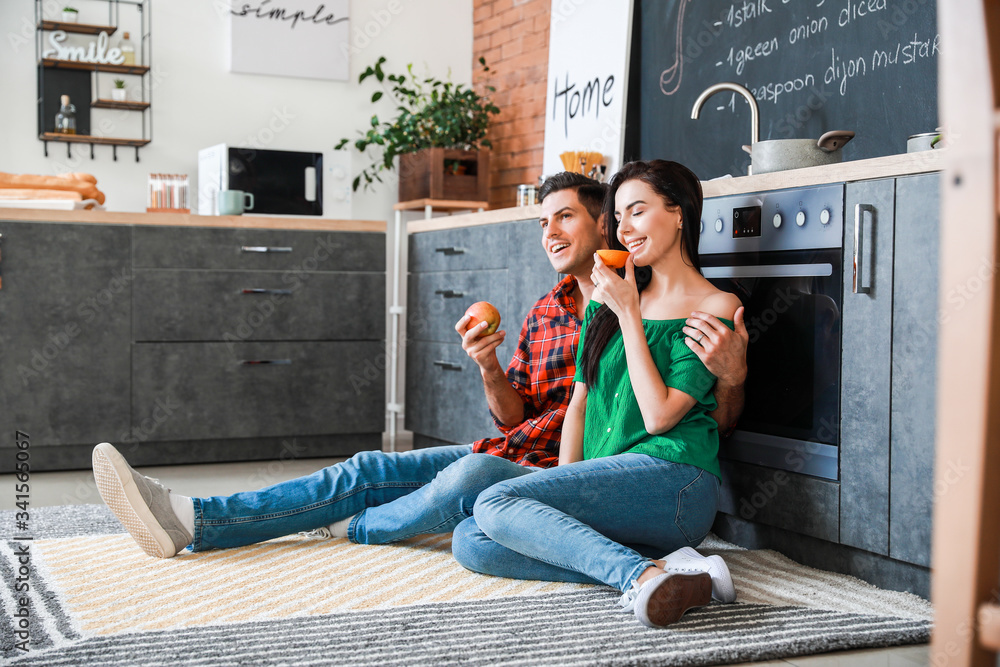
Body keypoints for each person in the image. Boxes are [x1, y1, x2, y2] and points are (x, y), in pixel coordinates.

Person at [91, 171, 748, 562]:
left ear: (607, 227)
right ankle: (196, 518)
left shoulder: (648, 303)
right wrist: (489, 366)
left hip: (561, 477)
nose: (550, 232)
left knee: (402, 494)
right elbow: (517, 412)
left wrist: (734, 373)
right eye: (543, 222)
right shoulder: (552, 309)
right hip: (515, 451)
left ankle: (293, 520)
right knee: (367, 469)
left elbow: (692, 422)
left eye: (566, 218)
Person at [451, 160, 741, 629]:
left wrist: (629, 313)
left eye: (638, 211)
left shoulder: (714, 306)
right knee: (471, 540)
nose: (624, 229)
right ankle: (677, 571)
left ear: (680, 212)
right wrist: (556, 490)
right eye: (618, 217)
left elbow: (659, 417)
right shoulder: (605, 307)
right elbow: (579, 407)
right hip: (614, 481)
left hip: (676, 481)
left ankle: (639, 575)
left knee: (492, 502)